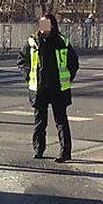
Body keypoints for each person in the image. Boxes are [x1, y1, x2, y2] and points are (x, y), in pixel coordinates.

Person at [17, 13, 80, 163]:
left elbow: (73, 62)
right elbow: (21, 60)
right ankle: (38, 149)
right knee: (40, 121)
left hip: (58, 88)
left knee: (61, 121)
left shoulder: (62, 41)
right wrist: (27, 75)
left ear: (53, 25)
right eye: (42, 25)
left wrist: (68, 77)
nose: (44, 28)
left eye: (47, 25)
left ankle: (65, 152)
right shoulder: (33, 42)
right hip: (39, 88)